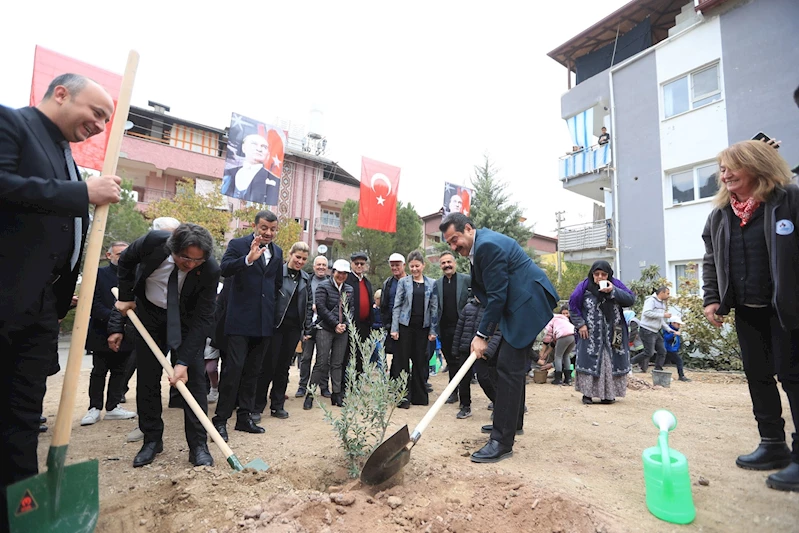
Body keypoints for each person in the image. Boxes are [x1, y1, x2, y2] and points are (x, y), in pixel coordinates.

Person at [0, 72, 121, 524]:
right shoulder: (11, 125)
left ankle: (23, 514)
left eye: (106, 119)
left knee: (23, 420)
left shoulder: (66, 155)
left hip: (39, 313)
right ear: (61, 94)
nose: (99, 124)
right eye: (96, 112)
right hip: (6, 300)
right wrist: (80, 193)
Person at [702, 139, 799, 491]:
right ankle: (772, 445)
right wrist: (712, 299)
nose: (724, 174)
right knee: (758, 377)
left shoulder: (789, 200)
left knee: (794, 377)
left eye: (731, 167)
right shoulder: (721, 215)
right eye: (722, 169)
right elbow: (711, 261)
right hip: (747, 310)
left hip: (787, 311)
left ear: (756, 167)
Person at [441, 213, 558, 463]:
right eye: (449, 243)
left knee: (508, 369)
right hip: (517, 306)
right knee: (510, 368)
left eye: (455, 239)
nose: (453, 247)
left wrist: (482, 335)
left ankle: (501, 441)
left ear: (468, 229)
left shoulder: (487, 247)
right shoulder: (480, 245)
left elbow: (496, 296)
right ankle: (512, 423)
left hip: (526, 305)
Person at [111, 223, 220, 468]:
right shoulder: (153, 242)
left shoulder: (210, 269)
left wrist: (182, 363)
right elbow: (126, 261)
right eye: (185, 258)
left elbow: (204, 318)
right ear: (172, 248)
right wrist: (126, 297)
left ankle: (198, 446)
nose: (191, 265)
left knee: (194, 381)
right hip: (149, 316)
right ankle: (151, 440)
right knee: (148, 378)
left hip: (186, 321)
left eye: (197, 260)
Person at [214, 210, 282, 440]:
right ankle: (220, 420)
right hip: (239, 322)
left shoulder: (278, 252)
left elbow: (275, 286)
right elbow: (224, 269)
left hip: (264, 323)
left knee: (253, 373)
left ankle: (244, 418)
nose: (268, 233)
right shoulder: (238, 244)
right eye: (264, 228)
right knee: (233, 371)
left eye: (272, 229)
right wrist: (247, 260)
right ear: (255, 226)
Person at [81, 241, 137, 426]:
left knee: (120, 371)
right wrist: (115, 319)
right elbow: (93, 303)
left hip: (127, 330)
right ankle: (94, 407)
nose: (123, 258)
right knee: (99, 371)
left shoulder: (134, 275)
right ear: (109, 255)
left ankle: (113, 406)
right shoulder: (98, 274)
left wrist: (122, 323)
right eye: (119, 254)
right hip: (100, 330)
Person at [256, 242, 312, 419]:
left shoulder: (305, 278)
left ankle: (277, 405)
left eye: (303, 259)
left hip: (294, 329)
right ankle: (257, 406)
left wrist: (307, 328)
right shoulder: (277, 272)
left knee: (283, 368)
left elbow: (309, 305)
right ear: (290, 254)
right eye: (297, 257)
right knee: (267, 366)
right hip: (275, 326)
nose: (300, 261)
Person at [569, 261, 635, 405]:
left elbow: (631, 299)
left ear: (608, 275)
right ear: (592, 274)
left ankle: (608, 395)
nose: (600, 277)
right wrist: (580, 325)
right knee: (590, 361)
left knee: (611, 362)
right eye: (596, 274)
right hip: (591, 334)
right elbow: (573, 307)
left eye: (603, 274)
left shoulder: (616, 285)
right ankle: (587, 394)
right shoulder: (584, 287)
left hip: (615, 332)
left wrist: (613, 291)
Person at [390, 250, 438, 408]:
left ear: (423, 266)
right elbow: (397, 306)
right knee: (403, 362)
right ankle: (403, 397)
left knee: (420, 362)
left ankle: (419, 396)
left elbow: (434, 309)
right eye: (412, 266)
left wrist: (433, 331)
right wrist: (394, 328)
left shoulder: (432, 283)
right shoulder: (404, 282)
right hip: (405, 327)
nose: (415, 269)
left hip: (422, 329)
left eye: (417, 266)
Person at [304, 260, 353, 409]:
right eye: (339, 272)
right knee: (321, 362)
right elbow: (321, 308)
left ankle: (336, 394)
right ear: (333, 272)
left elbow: (351, 309)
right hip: (325, 329)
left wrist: (344, 324)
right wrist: (335, 324)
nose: (341, 275)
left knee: (337, 364)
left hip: (342, 331)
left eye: (345, 273)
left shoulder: (349, 289)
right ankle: (310, 394)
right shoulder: (323, 286)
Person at [435, 250, 472, 411]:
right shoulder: (437, 284)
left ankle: (466, 399)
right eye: (443, 263)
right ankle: (453, 391)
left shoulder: (466, 280)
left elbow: (473, 299)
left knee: (463, 363)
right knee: (450, 362)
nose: (447, 265)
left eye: (449, 262)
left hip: (463, 328)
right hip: (444, 329)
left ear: (454, 263)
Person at [296, 255, 331, 398]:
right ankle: (302, 386)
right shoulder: (306, 281)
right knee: (306, 357)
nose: (321, 267)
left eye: (324, 265)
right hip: (308, 323)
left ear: (327, 268)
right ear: (314, 266)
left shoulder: (331, 282)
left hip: (325, 325)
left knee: (324, 358)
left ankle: (323, 386)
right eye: (319, 265)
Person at [221, 134, 279, 204]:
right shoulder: (229, 173)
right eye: (254, 144)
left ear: (268, 154)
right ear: (244, 148)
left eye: (264, 147)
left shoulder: (273, 180)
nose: (259, 149)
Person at [345, 251, 374, 389]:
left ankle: (356, 383)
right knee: (348, 355)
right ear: (352, 264)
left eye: (361, 263)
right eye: (356, 263)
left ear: (365, 265)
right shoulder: (347, 279)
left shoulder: (367, 282)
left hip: (364, 325)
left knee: (360, 356)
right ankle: (346, 384)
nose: (359, 266)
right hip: (351, 325)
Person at [631, 287, 677, 373]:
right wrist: (663, 314)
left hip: (655, 331)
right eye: (667, 293)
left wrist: (669, 329)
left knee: (662, 351)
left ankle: (657, 370)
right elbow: (646, 313)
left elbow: (660, 319)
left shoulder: (662, 304)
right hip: (647, 330)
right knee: (649, 352)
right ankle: (629, 363)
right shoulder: (651, 300)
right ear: (661, 293)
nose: (668, 296)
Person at [379, 253, 407, 357]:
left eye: (397, 265)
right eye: (392, 265)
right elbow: (383, 306)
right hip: (392, 327)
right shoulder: (388, 283)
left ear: (404, 265)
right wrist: (386, 325)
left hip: (408, 326)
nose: (394, 268)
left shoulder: (411, 281)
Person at [541, 306, 576, 386]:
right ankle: (568, 378)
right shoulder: (564, 319)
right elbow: (554, 339)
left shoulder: (551, 319)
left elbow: (549, 335)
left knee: (558, 356)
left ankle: (558, 378)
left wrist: (544, 346)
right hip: (573, 335)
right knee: (566, 355)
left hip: (563, 336)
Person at [662, 318, 691, 382]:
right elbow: (666, 338)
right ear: (673, 323)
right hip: (669, 349)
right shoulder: (668, 329)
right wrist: (673, 334)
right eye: (678, 324)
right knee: (679, 361)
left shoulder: (675, 330)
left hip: (672, 349)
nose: (679, 326)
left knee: (663, 362)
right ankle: (681, 376)